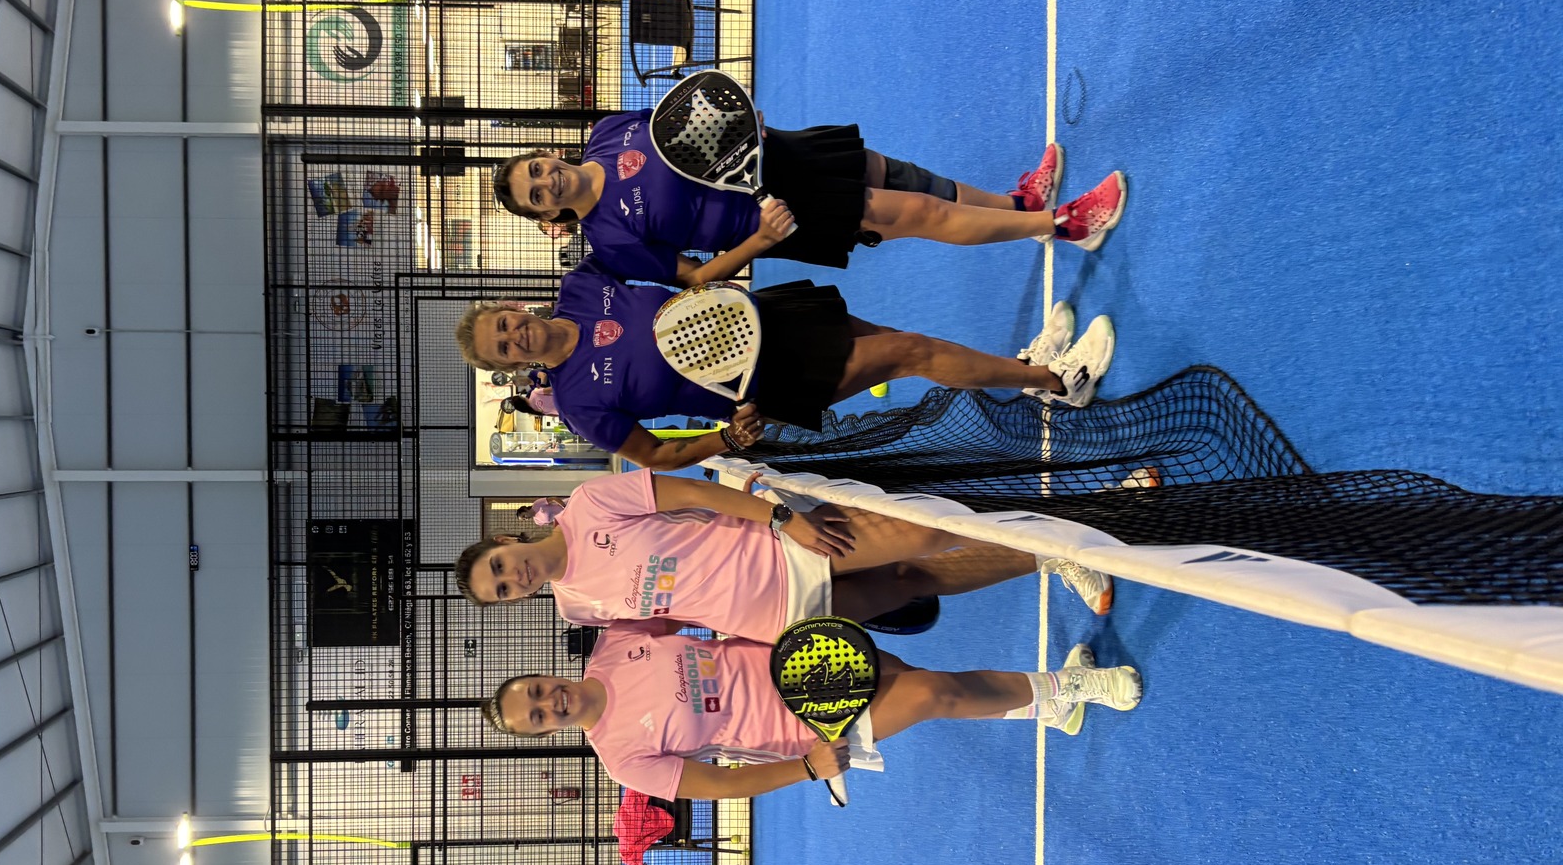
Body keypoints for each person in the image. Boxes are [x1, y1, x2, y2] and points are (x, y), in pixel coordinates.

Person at [454, 257, 1114, 470]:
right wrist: (726, 438)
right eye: (503, 348)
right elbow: (652, 455)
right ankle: (1057, 381)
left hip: (762, 316)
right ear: (508, 366)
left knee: (894, 337)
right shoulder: (578, 404)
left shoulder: (581, 283)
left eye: (505, 325)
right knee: (908, 354)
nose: (516, 337)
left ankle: (1025, 370)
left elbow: (675, 270)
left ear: (513, 307)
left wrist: (721, 272)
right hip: (760, 384)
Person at [482, 625, 1143, 799]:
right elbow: (722, 784)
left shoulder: (616, 642)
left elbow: (697, 599)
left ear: (543, 675)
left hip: (800, 657)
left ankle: (1046, 706)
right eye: (537, 717)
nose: (547, 702)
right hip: (803, 724)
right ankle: (1073, 687)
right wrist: (806, 767)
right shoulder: (622, 759)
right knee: (931, 696)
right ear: (546, 731)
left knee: (923, 679)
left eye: (535, 690)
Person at [456, 465, 1116, 630]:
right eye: (504, 590)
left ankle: (1099, 507)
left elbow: (696, 493)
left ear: (505, 540)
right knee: (915, 580)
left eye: (499, 566)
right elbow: (672, 623)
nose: (514, 577)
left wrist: (781, 519)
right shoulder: (577, 606)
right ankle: (1053, 553)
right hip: (778, 615)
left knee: (930, 531)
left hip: (783, 547)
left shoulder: (591, 503)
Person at [492, 120, 1125, 286]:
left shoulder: (608, 133)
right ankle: (1062, 225)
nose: (547, 182)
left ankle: (1018, 204)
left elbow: (686, 125)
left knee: (894, 171)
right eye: (536, 194)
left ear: (546, 155)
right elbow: (693, 278)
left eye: (537, 169)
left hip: (779, 156)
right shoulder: (609, 242)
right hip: (773, 214)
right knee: (915, 214)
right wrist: (761, 241)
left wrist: (745, 124)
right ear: (546, 216)